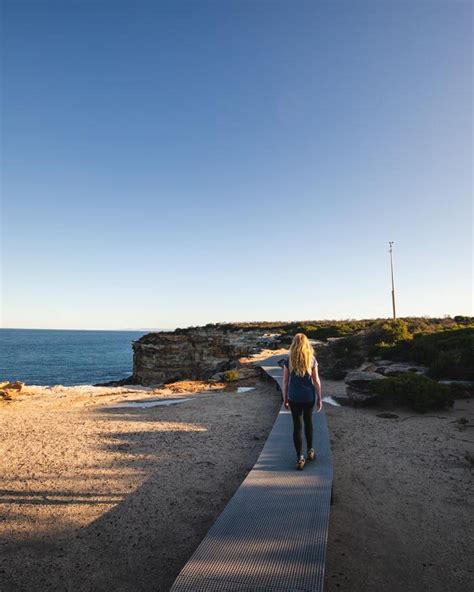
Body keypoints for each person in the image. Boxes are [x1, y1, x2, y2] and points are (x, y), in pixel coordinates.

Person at [282, 333, 322, 470]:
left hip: (294, 398)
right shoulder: (311, 360)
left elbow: (285, 382)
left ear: (293, 344)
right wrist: (319, 399)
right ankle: (310, 451)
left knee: (297, 426)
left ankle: (299, 457)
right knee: (308, 422)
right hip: (308, 397)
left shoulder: (289, 360)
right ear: (306, 344)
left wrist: (285, 398)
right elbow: (316, 381)